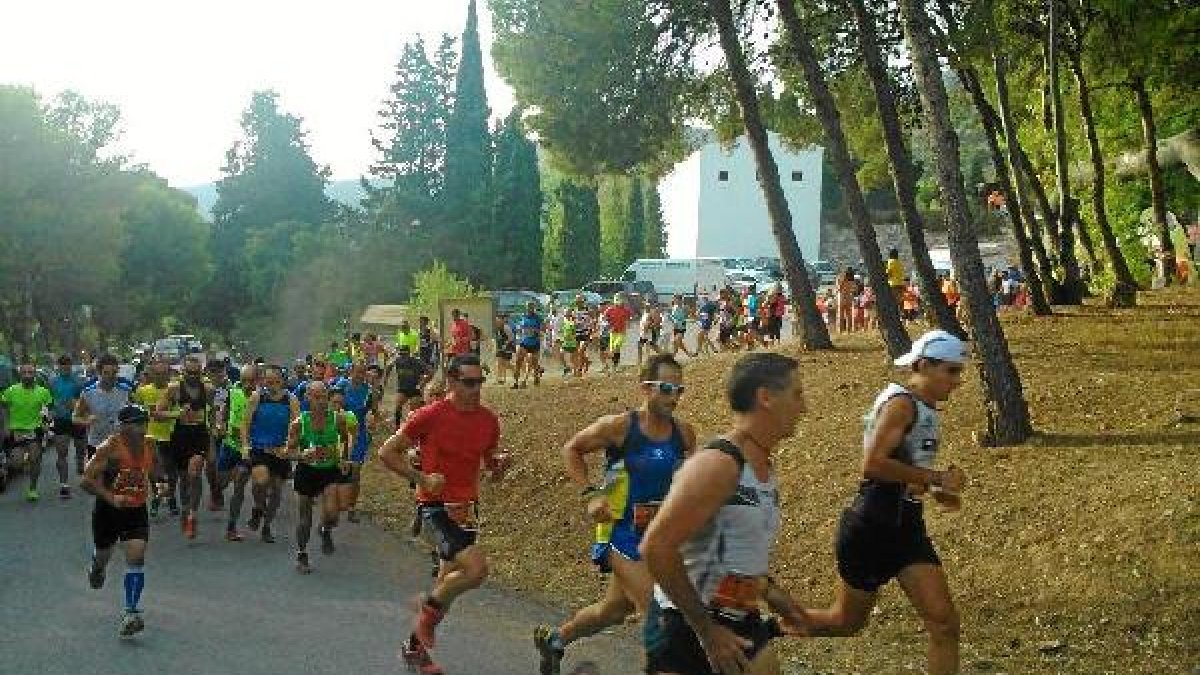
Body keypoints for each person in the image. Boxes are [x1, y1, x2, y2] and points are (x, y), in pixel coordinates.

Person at [798, 330, 968, 675]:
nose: (957, 381)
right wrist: (934, 478)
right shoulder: (901, 404)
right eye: (951, 371)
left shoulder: (923, 408)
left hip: (906, 526)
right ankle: (763, 632)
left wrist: (937, 490)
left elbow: (904, 472)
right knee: (845, 622)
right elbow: (872, 464)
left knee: (945, 625)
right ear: (923, 365)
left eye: (959, 372)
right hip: (873, 526)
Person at [641, 352, 809, 675]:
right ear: (766, 398)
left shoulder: (762, 468)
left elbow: (731, 553)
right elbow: (656, 548)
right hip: (685, 628)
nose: (804, 408)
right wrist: (707, 632)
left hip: (741, 620)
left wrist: (774, 595)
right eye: (797, 395)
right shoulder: (718, 464)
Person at [534, 355, 697, 675]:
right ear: (645, 388)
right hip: (620, 534)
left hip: (659, 540)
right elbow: (572, 449)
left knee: (612, 611)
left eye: (679, 389)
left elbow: (688, 483)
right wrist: (592, 495)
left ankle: (555, 639)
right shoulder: (620, 427)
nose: (674, 397)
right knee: (656, 614)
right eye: (666, 388)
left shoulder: (684, 434)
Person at [378, 354, 511, 674]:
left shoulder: (488, 420)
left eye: (480, 381)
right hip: (433, 507)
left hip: (466, 509)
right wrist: (422, 479)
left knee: (446, 588)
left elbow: (490, 463)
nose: (477, 388)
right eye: (469, 382)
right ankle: (426, 616)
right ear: (451, 382)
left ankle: (415, 649)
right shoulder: (430, 415)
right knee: (476, 570)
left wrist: (500, 465)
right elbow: (387, 453)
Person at [82, 404, 156, 639]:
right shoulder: (110, 449)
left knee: (136, 555)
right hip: (108, 510)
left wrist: (160, 485)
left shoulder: (149, 444)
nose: (142, 428)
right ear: (123, 427)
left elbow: (153, 470)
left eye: (143, 422)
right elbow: (86, 481)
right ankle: (97, 567)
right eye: (136, 424)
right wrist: (111, 497)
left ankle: (131, 613)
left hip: (136, 509)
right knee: (104, 554)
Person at [287, 380, 351, 573]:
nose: (320, 401)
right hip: (306, 472)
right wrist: (302, 455)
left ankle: (325, 529)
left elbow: (345, 439)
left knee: (333, 513)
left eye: (323, 397)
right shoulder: (299, 423)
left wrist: (343, 459)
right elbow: (288, 452)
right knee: (305, 518)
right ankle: (302, 553)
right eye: (315, 397)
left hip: (329, 471)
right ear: (307, 398)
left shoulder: (337, 419)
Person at [241, 365, 301, 543]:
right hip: (260, 448)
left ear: (282, 381)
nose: (272, 385)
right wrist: (245, 445)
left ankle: (266, 526)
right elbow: (245, 424)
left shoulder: (291, 400)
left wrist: (290, 446)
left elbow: (297, 427)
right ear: (263, 381)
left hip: (280, 451)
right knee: (260, 480)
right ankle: (259, 507)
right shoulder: (257, 397)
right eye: (268, 382)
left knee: (276, 491)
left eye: (276, 381)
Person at [157, 355, 214, 539]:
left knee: (194, 473)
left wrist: (213, 438)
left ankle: (193, 513)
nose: (192, 376)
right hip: (180, 437)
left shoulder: (208, 389)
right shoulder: (174, 389)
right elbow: (158, 412)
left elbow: (213, 413)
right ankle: (185, 509)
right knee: (183, 479)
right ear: (183, 372)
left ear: (201, 372)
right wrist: (177, 413)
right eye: (189, 372)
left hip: (199, 436)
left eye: (196, 373)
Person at [332, 362, 379, 523]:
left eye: (362, 372)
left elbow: (374, 411)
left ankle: (352, 507)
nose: (359, 376)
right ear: (350, 371)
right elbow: (333, 404)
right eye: (357, 372)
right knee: (339, 468)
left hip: (359, 434)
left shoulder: (368, 390)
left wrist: (372, 422)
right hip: (340, 431)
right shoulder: (341, 385)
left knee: (355, 471)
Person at [132, 359, 178, 517]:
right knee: (154, 469)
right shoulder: (143, 391)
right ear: (152, 374)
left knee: (171, 470)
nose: (160, 377)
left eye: (164, 374)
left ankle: (170, 496)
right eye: (157, 374)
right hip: (151, 435)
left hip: (172, 435)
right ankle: (157, 497)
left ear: (169, 374)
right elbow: (135, 413)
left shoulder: (175, 390)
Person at [1, 363, 54, 500]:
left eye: (30, 373)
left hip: (35, 429)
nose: (27, 376)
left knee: (35, 459)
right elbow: (4, 408)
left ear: (35, 375)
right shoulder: (10, 391)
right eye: (24, 373)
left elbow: (47, 411)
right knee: (16, 463)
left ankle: (33, 488)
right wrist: (6, 425)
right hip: (16, 430)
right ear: (20, 375)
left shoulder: (43, 392)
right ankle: (23, 461)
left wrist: (46, 423)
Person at [219, 365, 258, 541]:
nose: (248, 385)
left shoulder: (261, 398)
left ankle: (231, 526)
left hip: (247, 449)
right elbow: (225, 410)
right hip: (229, 445)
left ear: (258, 380)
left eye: (252, 381)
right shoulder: (233, 391)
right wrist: (220, 424)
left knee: (240, 482)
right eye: (244, 381)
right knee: (221, 483)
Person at [74, 353, 133, 471]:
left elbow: (135, 414)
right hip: (97, 444)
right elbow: (75, 417)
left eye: (114, 373)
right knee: (94, 483)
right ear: (98, 373)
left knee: (116, 485)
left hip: (119, 444)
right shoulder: (88, 392)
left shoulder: (126, 390)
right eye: (106, 373)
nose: (111, 377)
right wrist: (87, 421)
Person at [48, 355, 86, 497]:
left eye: (67, 364)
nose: (65, 367)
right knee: (62, 452)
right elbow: (49, 400)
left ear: (71, 366)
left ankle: (80, 464)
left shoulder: (79, 381)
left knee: (81, 449)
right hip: (61, 420)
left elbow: (86, 400)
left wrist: (76, 404)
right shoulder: (52, 382)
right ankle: (64, 484)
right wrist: (50, 411)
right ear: (58, 366)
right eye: (62, 364)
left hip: (77, 419)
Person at [391, 344, 432, 428]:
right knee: (397, 406)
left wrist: (422, 384)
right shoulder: (397, 361)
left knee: (413, 410)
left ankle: (415, 426)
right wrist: (383, 381)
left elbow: (430, 372)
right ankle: (397, 427)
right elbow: (388, 367)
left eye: (405, 355)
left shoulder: (417, 362)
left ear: (409, 354)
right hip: (403, 389)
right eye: (401, 354)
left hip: (415, 389)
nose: (403, 357)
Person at [513, 301, 545, 388]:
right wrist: (520, 331)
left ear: (534, 308)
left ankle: (536, 377)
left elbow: (543, 330)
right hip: (524, 342)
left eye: (531, 307)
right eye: (528, 307)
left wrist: (536, 331)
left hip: (535, 343)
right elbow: (519, 328)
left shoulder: (538, 318)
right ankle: (516, 382)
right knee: (518, 361)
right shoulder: (523, 317)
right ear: (526, 307)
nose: (530, 308)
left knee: (534, 363)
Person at [603, 294, 634, 370]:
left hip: (621, 332)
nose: (622, 302)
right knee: (614, 349)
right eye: (620, 300)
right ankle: (614, 365)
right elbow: (604, 319)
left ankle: (614, 364)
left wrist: (628, 323)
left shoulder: (626, 310)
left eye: (622, 300)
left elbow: (630, 318)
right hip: (613, 332)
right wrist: (609, 325)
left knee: (616, 347)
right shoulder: (610, 310)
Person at [492, 315, 516, 386]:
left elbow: (511, 337)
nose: (497, 322)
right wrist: (495, 347)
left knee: (506, 364)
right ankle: (499, 379)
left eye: (498, 320)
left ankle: (514, 370)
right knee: (499, 363)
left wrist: (505, 344)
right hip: (500, 348)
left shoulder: (506, 327)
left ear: (502, 320)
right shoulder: (497, 329)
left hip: (508, 348)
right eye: (496, 320)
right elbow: (497, 339)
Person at [836, 268, 856, 334]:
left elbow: (838, 288)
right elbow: (854, 289)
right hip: (849, 297)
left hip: (841, 297)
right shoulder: (852, 279)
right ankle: (848, 330)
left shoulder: (840, 278)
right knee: (849, 315)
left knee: (841, 315)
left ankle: (840, 331)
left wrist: (842, 282)